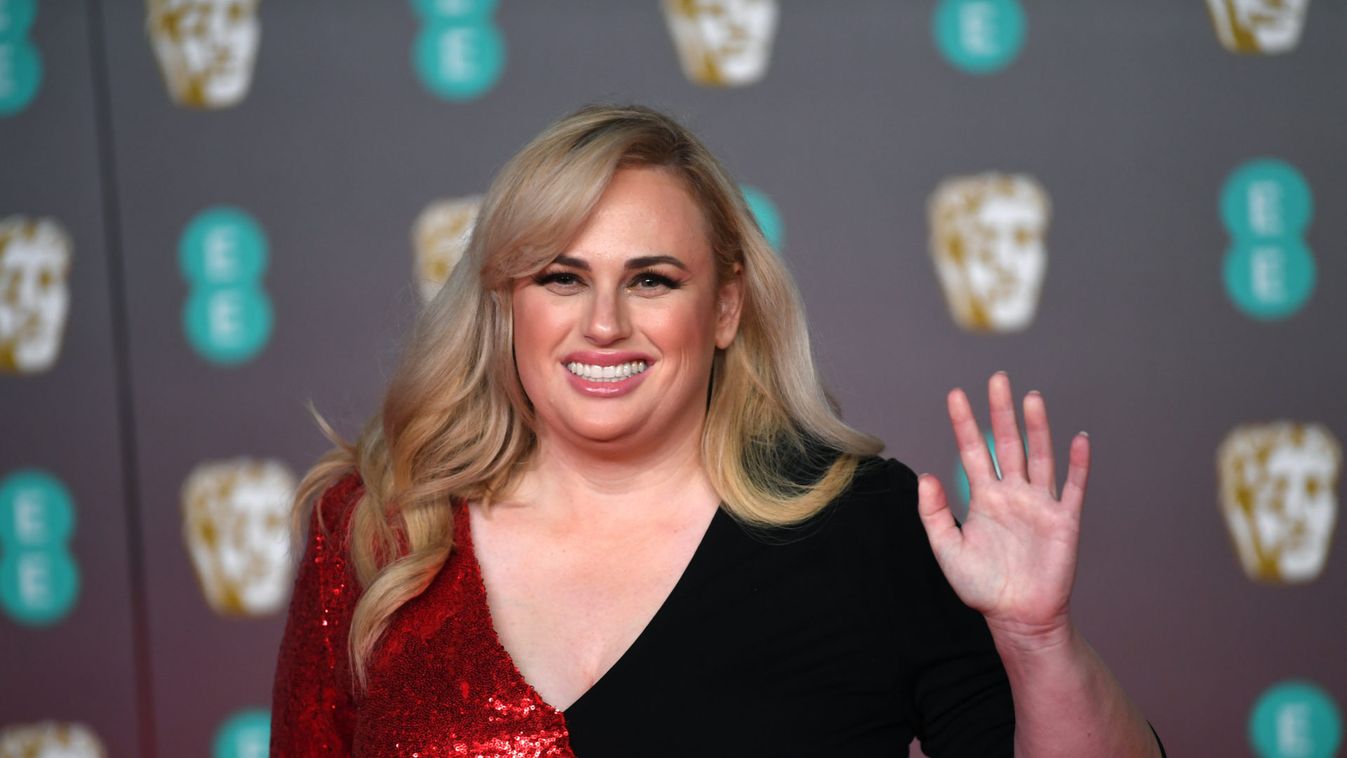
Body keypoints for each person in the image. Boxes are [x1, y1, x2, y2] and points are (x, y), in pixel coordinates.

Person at [270, 104, 1164, 757]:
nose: (604, 324)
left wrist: (1037, 641)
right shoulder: (378, 531)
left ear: (726, 307)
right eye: (561, 278)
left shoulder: (866, 528)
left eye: (651, 280)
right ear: (507, 304)